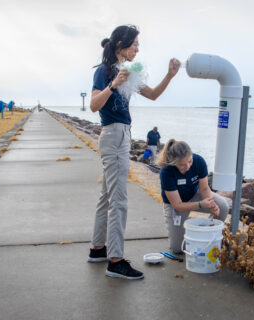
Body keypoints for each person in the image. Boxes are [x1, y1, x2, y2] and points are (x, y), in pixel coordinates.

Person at [88, 24, 180, 280]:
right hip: (113, 134)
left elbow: (151, 95)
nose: (138, 49)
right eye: (135, 45)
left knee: (107, 196)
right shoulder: (105, 72)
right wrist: (114, 84)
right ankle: (115, 261)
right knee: (119, 200)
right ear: (121, 45)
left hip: (122, 134)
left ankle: (98, 249)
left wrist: (170, 75)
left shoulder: (129, 70)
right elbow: (94, 106)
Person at [157, 139, 229, 253]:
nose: (188, 167)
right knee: (177, 249)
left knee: (223, 207)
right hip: (176, 205)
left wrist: (211, 204)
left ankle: (209, 235)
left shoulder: (199, 161)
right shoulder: (166, 172)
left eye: (190, 161)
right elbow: (178, 205)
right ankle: (183, 233)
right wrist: (200, 204)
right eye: (182, 165)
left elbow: (204, 188)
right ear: (173, 162)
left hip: (194, 194)